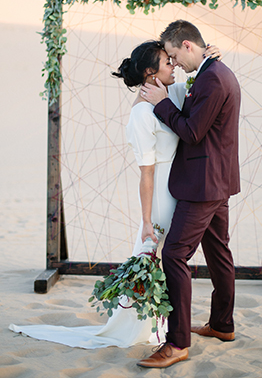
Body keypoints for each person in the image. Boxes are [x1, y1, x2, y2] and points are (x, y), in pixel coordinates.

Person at [9, 39, 220, 349]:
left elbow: (194, 80)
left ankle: (158, 324)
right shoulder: (141, 116)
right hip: (161, 197)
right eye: (166, 62)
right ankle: (141, 327)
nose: (173, 65)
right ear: (151, 73)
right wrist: (146, 220)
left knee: (163, 263)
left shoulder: (169, 91)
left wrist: (207, 58)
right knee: (153, 257)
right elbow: (145, 174)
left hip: (179, 189)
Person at [137, 20, 241, 369]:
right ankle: (223, 324)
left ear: (186, 45)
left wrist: (163, 103)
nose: (175, 64)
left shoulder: (212, 77)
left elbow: (193, 132)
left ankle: (178, 343)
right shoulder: (214, 70)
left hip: (202, 184)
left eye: (173, 56)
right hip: (218, 179)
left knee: (175, 256)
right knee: (217, 251)